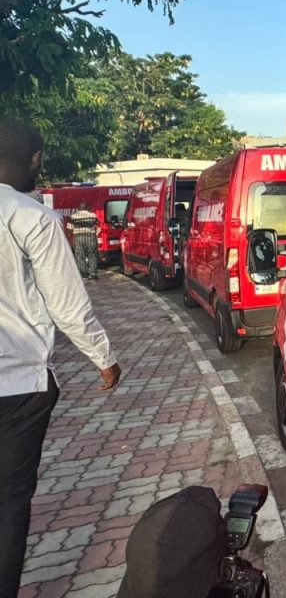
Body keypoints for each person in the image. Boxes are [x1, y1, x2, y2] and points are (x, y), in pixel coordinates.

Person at [0, 119, 122, 597]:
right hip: (19, 385)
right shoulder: (31, 217)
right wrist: (104, 358)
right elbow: (68, 306)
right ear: (34, 159)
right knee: (9, 501)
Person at [68, 200, 100, 280]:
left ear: (79, 208)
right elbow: (99, 227)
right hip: (91, 237)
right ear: (87, 208)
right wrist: (95, 234)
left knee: (80, 256)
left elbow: (70, 228)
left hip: (78, 237)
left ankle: (84, 275)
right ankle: (93, 274)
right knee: (92, 255)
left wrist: (71, 237)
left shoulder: (73, 216)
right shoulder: (93, 215)